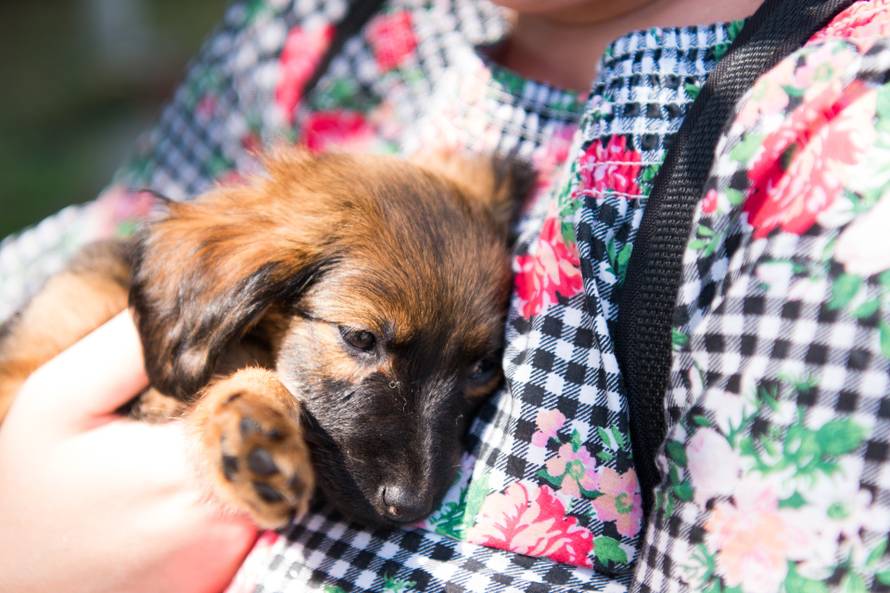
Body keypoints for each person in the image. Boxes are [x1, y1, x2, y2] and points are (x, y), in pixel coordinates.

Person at [1, 0, 889, 591]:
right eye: (364, 343)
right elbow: (95, 256)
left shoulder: (841, 147)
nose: (414, 486)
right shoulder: (334, 25)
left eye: (471, 379)